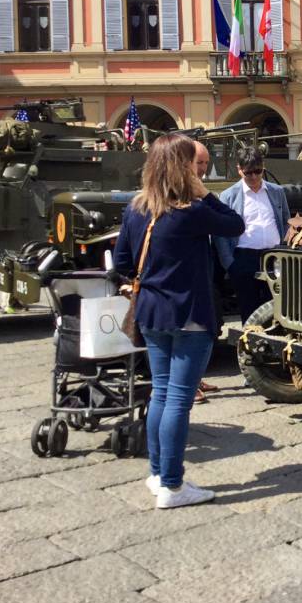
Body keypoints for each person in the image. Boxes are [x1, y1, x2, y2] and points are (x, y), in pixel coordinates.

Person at [114, 133, 243, 509]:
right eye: (192, 163)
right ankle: (173, 486)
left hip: (151, 313)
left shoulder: (136, 208)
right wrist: (205, 193)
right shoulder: (192, 211)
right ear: (181, 168)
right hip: (189, 314)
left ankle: (157, 474)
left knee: (161, 392)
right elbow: (234, 224)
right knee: (179, 401)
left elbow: (122, 262)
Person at [214, 148, 290, 324]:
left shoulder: (277, 192)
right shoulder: (228, 196)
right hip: (243, 258)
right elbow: (220, 233)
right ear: (240, 170)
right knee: (249, 309)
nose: (254, 177)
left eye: (258, 171)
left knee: (276, 307)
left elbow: (286, 220)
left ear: (263, 167)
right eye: (249, 173)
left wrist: (285, 248)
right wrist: (229, 263)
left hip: (274, 257)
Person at [191, 141, 220, 405]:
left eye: (205, 162)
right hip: (185, 281)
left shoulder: (199, 192)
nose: (203, 168)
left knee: (208, 329)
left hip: (205, 270)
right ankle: (189, 386)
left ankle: (196, 379)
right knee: (192, 334)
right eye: (199, 163)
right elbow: (233, 222)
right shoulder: (189, 199)